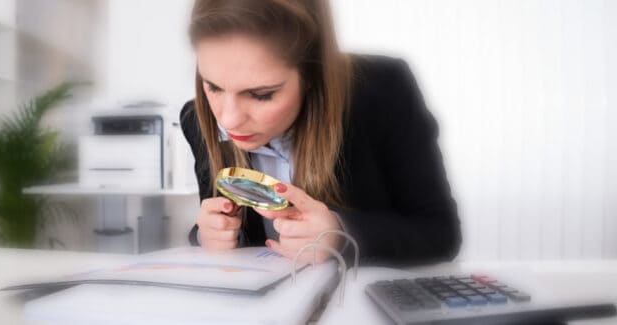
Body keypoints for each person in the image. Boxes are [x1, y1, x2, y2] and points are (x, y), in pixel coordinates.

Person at [180, 0, 461, 266]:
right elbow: (215, 219)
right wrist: (206, 234)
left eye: (261, 94)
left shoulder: (382, 91)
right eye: (213, 87)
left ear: (313, 74)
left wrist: (340, 235)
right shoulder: (197, 119)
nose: (228, 120)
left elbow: (440, 234)